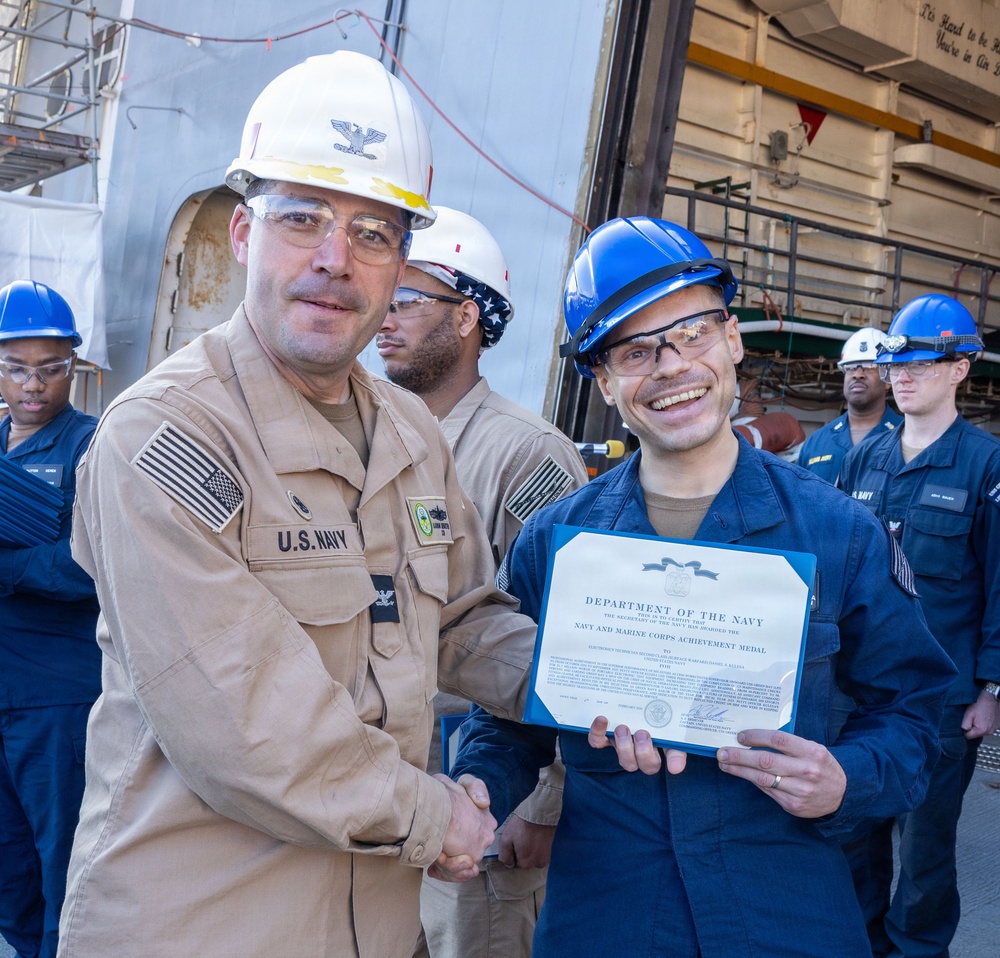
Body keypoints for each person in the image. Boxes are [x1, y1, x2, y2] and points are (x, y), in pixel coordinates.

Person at [57, 52, 538, 958]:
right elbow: (252, 726)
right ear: (243, 233)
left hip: (376, 927)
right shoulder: (165, 438)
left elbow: (466, 623)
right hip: (205, 925)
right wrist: (442, 819)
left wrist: (605, 680)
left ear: (402, 262)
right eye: (303, 218)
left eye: (372, 233)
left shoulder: (408, 431)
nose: (332, 260)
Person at [447, 217, 956, 958]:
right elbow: (509, 717)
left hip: (787, 912)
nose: (671, 366)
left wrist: (846, 778)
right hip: (606, 916)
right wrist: (478, 788)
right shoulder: (555, 543)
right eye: (634, 349)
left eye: (692, 332)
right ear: (604, 380)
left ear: (733, 339)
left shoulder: (838, 532)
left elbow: (914, 711)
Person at [377, 207, 587, 958]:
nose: (383, 316)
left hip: (485, 788)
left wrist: (544, 801)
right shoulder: (375, 438)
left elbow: (561, 638)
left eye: (407, 298)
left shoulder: (526, 456)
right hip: (390, 789)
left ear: (467, 315)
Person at [839, 293, 1000, 958]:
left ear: (961, 369)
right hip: (860, 691)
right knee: (855, 835)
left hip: (943, 698)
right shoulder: (867, 456)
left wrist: (993, 689)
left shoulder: (986, 464)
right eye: (896, 366)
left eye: (922, 365)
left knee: (926, 848)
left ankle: (916, 952)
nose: (902, 376)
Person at [0, 280, 100, 958]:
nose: (33, 385)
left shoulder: (95, 447)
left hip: (58, 699)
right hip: (4, 689)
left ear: (74, 366)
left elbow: (88, 567)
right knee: (7, 868)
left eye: (51, 368)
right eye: (15, 367)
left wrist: (8, 568)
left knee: (62, 859)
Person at [798, 327, 901, 482]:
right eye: (851, 367)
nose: (857, 374)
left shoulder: (907, 436)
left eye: (869, 366)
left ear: (887, 379)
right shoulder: (817, 441)